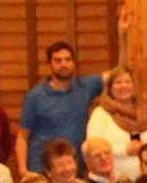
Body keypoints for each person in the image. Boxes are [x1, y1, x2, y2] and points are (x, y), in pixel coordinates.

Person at [17, 39, 110, 174]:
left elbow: (118, 74)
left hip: (74, 167)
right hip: (42, 168)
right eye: (58, 60)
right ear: (49, 64)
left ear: (73, 63)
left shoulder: (85, 87)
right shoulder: (35, 95)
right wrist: (22, 169)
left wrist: (121, 35)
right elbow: (22, 137)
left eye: (67, 60)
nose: (63, 64)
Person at [84, 66, 147, 183]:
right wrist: (125, 150)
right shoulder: (100, 114)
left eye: (127, 82)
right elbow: (93, 148)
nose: (123, 86)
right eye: (118, 82)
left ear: (134, 86)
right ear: (110, 88)